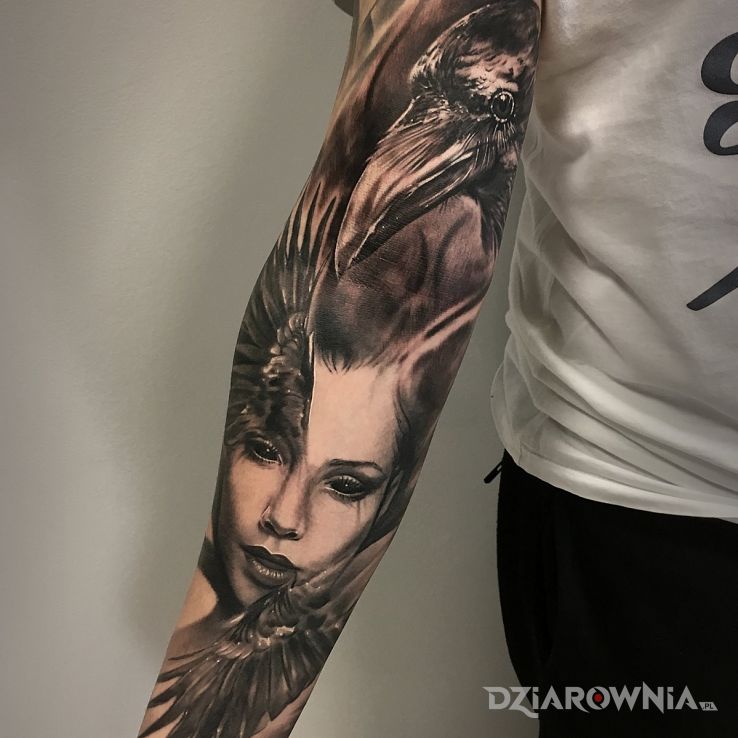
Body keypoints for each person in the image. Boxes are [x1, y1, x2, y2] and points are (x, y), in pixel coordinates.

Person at [137, 1, 737, 736]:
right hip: (650, 502)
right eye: (269, 449)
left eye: (345, 484)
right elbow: (365, 305)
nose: (284, 518)